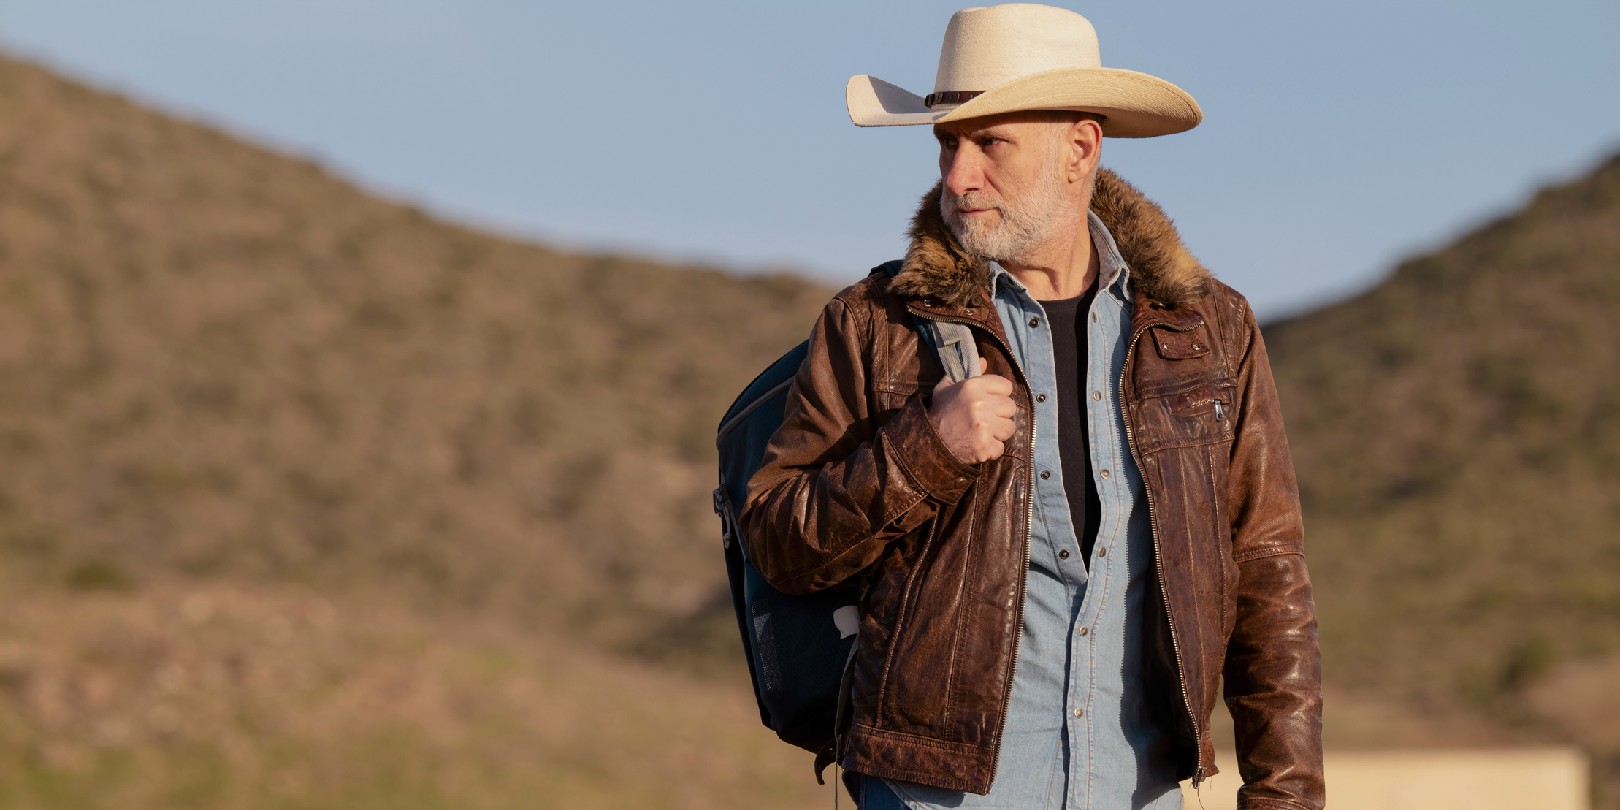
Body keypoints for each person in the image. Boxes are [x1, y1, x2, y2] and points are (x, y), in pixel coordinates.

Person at [740, 5, 1323, 809]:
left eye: (991, 143)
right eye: (948, 142)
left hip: (1140, 790)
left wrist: (1286, 795)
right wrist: (922, 451)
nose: (957, 175)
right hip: (932, 793)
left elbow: (1267, 571)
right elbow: (775, 539)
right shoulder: (875, 325)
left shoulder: (1207, 329)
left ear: (1080, 147)